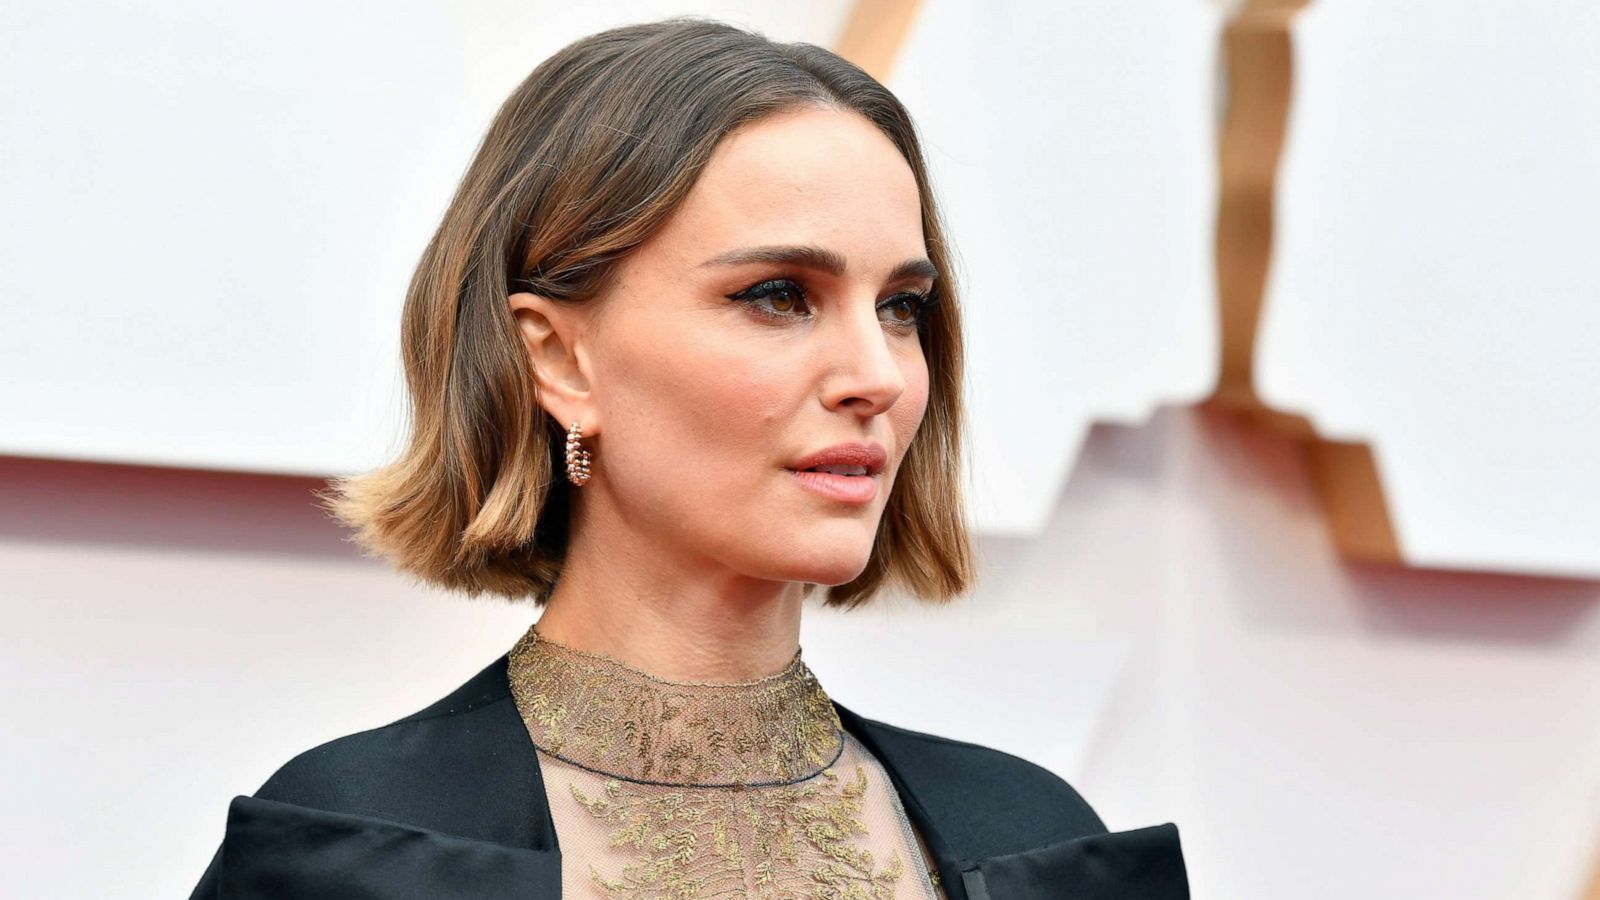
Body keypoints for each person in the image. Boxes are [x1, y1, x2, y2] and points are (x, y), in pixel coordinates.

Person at [186, 17, 1188, 899]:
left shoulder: (1038, 845)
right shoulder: (363, 852)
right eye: (778, 296)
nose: (875, 374)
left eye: (901, 307)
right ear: (560, 358)